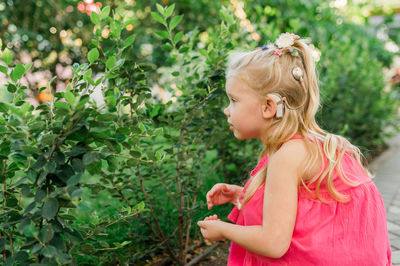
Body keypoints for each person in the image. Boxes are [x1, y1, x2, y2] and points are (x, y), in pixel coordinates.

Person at [197, 32, 392, 265]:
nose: (227, 110)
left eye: (234, 100)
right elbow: (302, 212)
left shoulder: (287, 156)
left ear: (268, 106)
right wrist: (241, 196)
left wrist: (223, 230)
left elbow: (273, 243)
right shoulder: (304, 146)